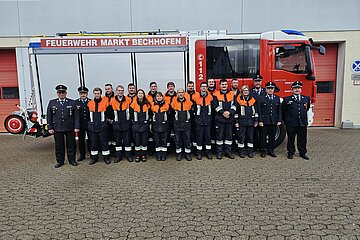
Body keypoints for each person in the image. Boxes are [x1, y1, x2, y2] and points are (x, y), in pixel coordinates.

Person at [47, 85, 80, 168]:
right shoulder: (52, 102)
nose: (61, 94)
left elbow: (76, 116)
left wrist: (76, 127)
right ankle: (60, 161)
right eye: (59, 92)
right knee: (59, 146)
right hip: (57, 128)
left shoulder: (72, 102)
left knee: (71, 145)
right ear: (57, 93)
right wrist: (50, 127)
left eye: (63, 92)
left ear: (66, 93)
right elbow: (49, 116)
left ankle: (72, 160)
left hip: (69, 127)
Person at [282, 81, 311, 160]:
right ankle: (290, 152)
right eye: (295, 88)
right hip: (291, 123)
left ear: (301, 89)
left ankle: (302, 153)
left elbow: (306, 109)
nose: (297, 90)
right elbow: (283, 111)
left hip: (302, 122)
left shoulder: (306, 98)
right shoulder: (287, 99)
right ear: (292, 89)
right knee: (291, 138)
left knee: (302, 138)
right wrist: (286, 121)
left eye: (298, 88)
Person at [212, 79, 236, 159]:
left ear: (227, 85)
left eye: (225, 84)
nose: (224, 86)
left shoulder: (232, 94)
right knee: (219, 137)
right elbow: (215, 106)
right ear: (219, 86)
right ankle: (219, 153)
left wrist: (229, 112)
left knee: (228, 137)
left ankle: (228, 152)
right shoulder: (215, 94)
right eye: (222, 84)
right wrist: (223, 113)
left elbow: (235, 105)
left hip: (229, 119)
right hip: (220, 119)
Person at [257, 81, 282, 158]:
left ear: (274, 89)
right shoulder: (261, 98)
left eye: (272, 88)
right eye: (268, 88)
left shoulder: (277, 98)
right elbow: (259, 110)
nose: (270, 90)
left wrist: (279, 120)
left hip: (273, 121)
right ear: (266, 89)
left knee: (272, 136)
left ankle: (271, 150)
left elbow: (279, 110)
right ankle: (263, 150)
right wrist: (260, 120)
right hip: (264, 121)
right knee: (263, 136)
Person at [87, 87, 111, 165]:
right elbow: (87, 115)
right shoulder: (89, 103)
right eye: (95, 93)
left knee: (104, 143)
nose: (97, 95)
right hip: (92, 127)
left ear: (101, 94)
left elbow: (109, 114)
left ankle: (106, 158)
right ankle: (94, 158)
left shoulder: (105, 103)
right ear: (93, 94)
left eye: (98, 93)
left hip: (102, 127)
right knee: (93, 143)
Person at [109, 85, 132, 163]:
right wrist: (111, 120)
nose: (120, 92)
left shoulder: (128, 100)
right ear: (116, 91)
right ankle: (118, 156)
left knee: (127, 141)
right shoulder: (112, 101)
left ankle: (128, 156)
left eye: (122, 90)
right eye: (119, 90)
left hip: (126, 124)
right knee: (118, 141)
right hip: (117, 125)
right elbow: (109, 112)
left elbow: (131, 112)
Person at [235, 85, 258, 158]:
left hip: (251, 122)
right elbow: (236, 113)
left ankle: (250, 152)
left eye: (247, 90)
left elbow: (256, 111)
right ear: (242, 92)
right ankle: (241, 152)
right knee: (241, 137)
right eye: (244, 90)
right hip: (242, 122)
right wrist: (236, 122)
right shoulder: (238, 100)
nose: (245, 92)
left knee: (250, 137)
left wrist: (256, 121)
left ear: (249, 91)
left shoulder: (253, 100)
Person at [171, 88, 193, 161]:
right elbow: (171, 115)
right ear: (177, 94)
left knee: (187, 140)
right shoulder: (173, 103)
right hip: (177, 125)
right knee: (178, 140)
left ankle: (187, 154)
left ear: (184, 93)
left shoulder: (189, 102)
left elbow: (192, 114)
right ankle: (179, 154)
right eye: (179, 92)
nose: (180, 94)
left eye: (182, 92)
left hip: (187, 125)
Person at [193, 82, 213, 160]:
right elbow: (193, 110)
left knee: (208, 137)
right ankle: (199, 153)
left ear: (207, 88)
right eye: (202, 86)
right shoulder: (195, 97)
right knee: (199, 138)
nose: (204, 88)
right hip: (199, 121)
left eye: (205, 86)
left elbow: (213, 111)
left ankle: (208, 153)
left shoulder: (211, 97)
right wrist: (196, 120)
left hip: (208, 121)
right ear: (200, 88)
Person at [130, 89, 151, 162]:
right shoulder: (133, 104)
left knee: (144, 141)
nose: (140, 94)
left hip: (144, 125)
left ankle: (143, 155)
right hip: (136, 126)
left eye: (142, 93)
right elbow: (131, 115)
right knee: (137, 141)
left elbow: (150, 115)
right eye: (139, 93)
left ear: (144, 95)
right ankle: (138, 155)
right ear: (137, 95)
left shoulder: (147, 104)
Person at [150, 92, 170, 161]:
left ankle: (163, 155)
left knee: (164, 140)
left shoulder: (166, 105)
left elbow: (169, 116)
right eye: (157, 96)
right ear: (155, 97)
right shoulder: (152, 105)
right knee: (157, 141)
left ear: (162, 97)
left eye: (160, 96)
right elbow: (150, 115)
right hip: (156, 126)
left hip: (164, 126)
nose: (159, 98)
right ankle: (158, 155)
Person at [75, 86, 91, 162]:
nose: (83, 95)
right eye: (81, 93)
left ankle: (92, 154)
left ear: (87, 94)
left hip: (89, 124)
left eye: (84, 93)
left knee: (91, 140)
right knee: (81, 141)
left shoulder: (91, 102)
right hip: (80, 125)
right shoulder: (76, 102)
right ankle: (82, 155)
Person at [251, 74, 266, 152]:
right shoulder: (250, 92)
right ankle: (254, 147)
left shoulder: (266, 91)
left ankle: (262, 149)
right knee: (253, 133)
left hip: (263, 116)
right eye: (256, 81)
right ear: (253, 82)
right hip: (253, 116)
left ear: (261, 82)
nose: (257, 83)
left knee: (263, 133)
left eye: (259, 81)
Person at [185, 81, 199, 150]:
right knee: (187, 133)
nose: (190, 87)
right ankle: (188, 147)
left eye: (192, 86)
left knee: (195, 132)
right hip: (187, 117)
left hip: (195, 116)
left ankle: (195, 149)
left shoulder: (197, 94)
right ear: (187, 87)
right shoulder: (184, 95)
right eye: (189, 86)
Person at [103, 83, 116, 155]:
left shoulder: (116, 98)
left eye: (109, 89)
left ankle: (114, 153)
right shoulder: (103, 99)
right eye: (106, 89)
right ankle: (109, 153)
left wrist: (113, 119)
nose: (108, 90)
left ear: (111, 89)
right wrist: (107, 119)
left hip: (115, 121)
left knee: (114, 138)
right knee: (107, 138)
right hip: (106, 121)